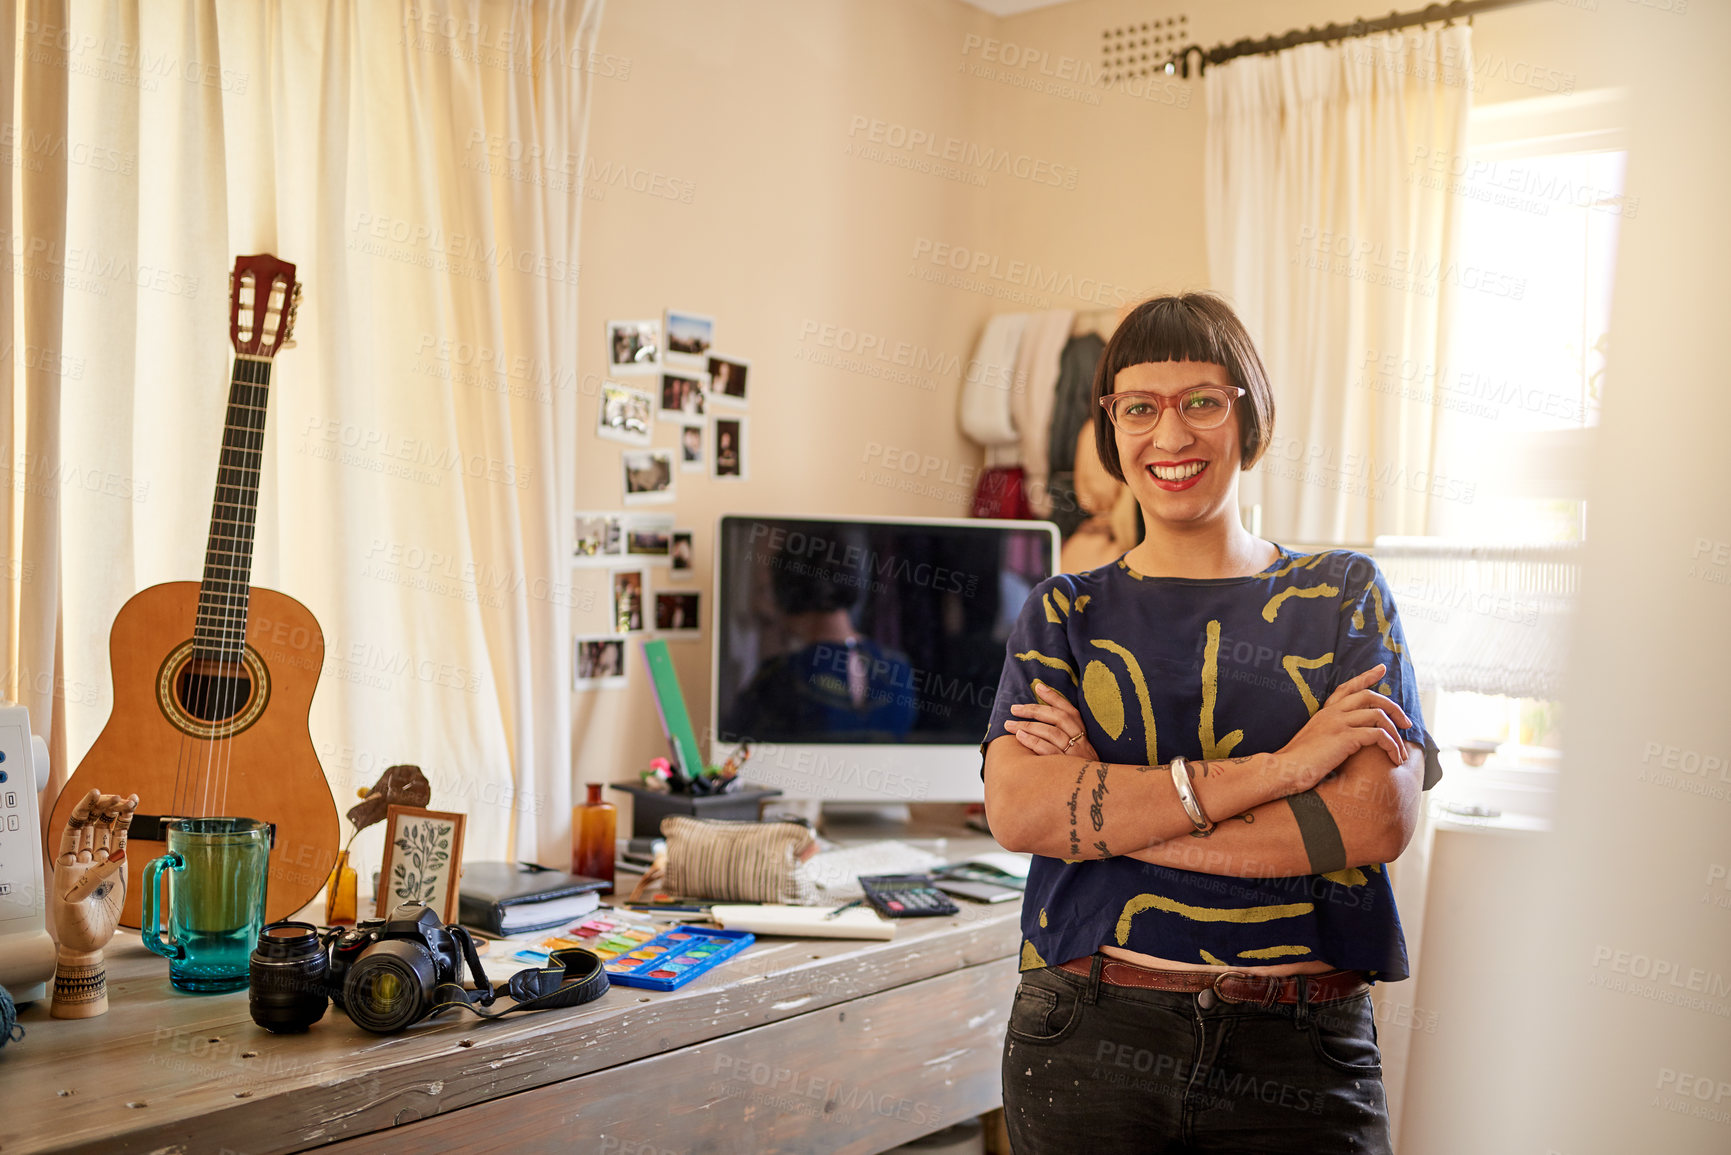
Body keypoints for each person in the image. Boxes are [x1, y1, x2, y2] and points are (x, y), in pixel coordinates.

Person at [980, 292, 1441, 1154]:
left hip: (1301, 1051)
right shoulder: (1064, 611)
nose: (1169, 435)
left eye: (1200, 401)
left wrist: (1115, 818)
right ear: (1111, 425)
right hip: (1089, 1038)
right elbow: (1021, 811)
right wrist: (1286, 768)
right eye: (1138, 407)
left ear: (1247, 413)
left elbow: (1374, 820)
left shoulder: (1342, 595)